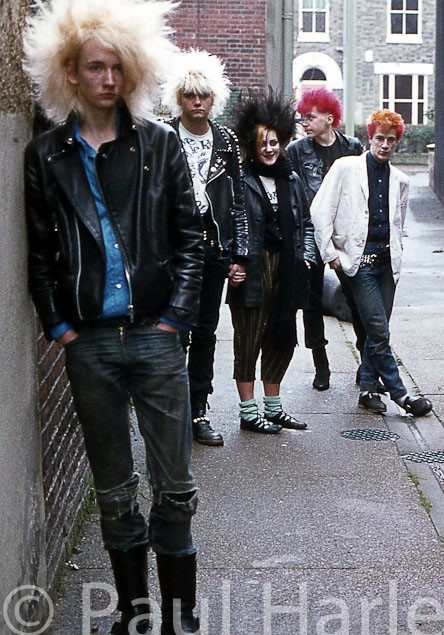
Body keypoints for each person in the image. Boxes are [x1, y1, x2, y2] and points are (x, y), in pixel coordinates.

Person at [23, 1, 202, 633]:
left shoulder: (159, 144)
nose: (107, 79)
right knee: (115, 491)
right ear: (69, 71)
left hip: (155, 336)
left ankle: (181, 616)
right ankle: (134, 614)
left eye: (117, 67)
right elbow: (40, 254)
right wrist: (60, 327)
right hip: (90, 343)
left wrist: (175, 319)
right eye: (95, 67)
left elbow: (190, 239)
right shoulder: (46, 155)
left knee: (175, 487)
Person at [311, 109, 433, 417]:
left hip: (386, 264)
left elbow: (398, 222)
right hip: (359, 263)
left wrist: (398, 253)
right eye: (380, 138)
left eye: (391, 140)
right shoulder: (345, 168)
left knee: (375, 329)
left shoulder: (400, 179)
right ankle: (401, 394)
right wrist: (330, 254)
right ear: (370, 138)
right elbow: (320, 211)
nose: (385, 145)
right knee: (378, 331)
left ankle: (367, 390)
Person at [162, 48, 249, 447]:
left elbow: (238, 201)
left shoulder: (227, 141)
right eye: (189, 95)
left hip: (213, 251)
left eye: (203, 95)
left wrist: (239, 254)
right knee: (171, 330)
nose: (197, 102)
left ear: (215, 98)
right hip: (174, 251)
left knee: (205, 332)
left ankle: (199, 410)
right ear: (178, 98)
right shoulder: (163, 137)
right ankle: (171, 411)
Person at [228, 89, 315, 434]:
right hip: (252, 267)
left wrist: (307, 257)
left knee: (281, 336)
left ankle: (274, 408)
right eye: (262, 143)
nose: (269, 149)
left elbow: (305, 222)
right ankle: (249, 412)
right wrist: (233, 262)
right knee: (249, 337)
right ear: (252, 145)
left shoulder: (291, 179)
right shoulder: (241, 180)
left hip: (287, 267)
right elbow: (231, 222)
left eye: (274, 142)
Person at [285, 87, 364, 391]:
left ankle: (366, 362)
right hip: (310, 233)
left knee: (356, 297)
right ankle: (321, 365)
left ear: (329, 118)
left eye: (310, 117)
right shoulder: (297, 151)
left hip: (344, 234)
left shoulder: (352, 147)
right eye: (302, 118)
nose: (304, 123)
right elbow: (294, 194)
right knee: (312, 301)